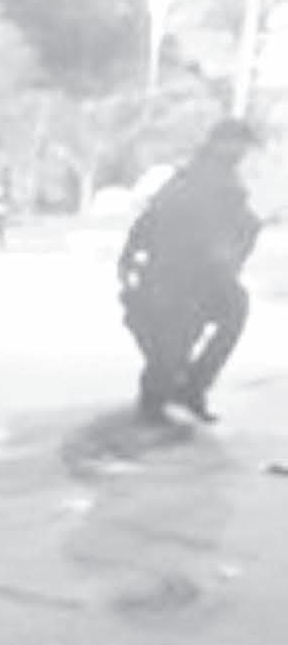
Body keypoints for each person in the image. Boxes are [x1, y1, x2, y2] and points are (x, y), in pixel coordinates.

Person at [119, 119, 262, 423]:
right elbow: (155, 221)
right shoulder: (199, 177)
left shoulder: (220, 178)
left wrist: (235, 249)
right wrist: (131, 259)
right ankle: (166, 393)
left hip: (203, 273)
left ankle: (189, 387)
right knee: (178, 336)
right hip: (177, 272)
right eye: (238, 146)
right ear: (221, 144)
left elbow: (241, 225)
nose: (241, 154)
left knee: (230, 311)